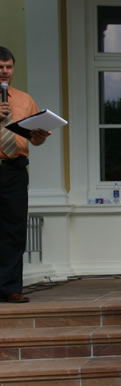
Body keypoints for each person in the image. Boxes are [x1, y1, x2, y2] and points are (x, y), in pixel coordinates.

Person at [0, 46, 51, 303]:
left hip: (14, 170)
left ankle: (10, 287)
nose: (5, 71)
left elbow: (35, 138)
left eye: (9, 67)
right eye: (0, 67)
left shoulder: (24, 99)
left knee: (14, 229)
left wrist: (39, 136)